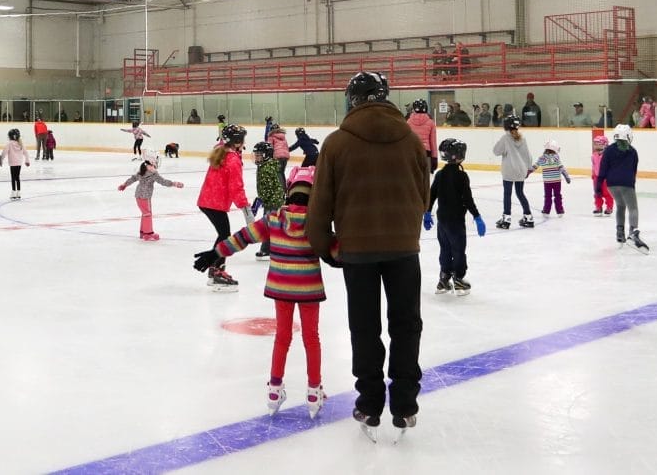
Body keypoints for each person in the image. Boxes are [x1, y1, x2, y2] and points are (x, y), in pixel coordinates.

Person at [304, 72, 430, 442]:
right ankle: (405, 404)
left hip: (357, 251)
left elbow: (320, 203)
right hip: (404, 248)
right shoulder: (410, 140)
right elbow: (423, 196)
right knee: (406, 325)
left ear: (354, 100)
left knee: (364, 327)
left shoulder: (337, 143)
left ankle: (370, 404)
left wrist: (324, 246)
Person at [192, 167, 328, 419]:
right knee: (312, 338)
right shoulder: (317, 222)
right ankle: (313, 390)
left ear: (289, 191)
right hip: (308, 288)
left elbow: (243, 237)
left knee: (282, 337)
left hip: (281, 288)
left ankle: (274, 390)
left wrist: (216, 253)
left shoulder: (274, 219)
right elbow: (336, 248)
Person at [424, 138, 485, 295]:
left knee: (445, 248)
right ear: (458, 156)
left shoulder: (440, 174)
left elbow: (431, 195)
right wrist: (477, 216)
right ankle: (458, 279)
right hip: (456, 221)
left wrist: (427, 212)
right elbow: (467, 199)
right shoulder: (461, 176)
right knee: (458, 249)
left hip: (442, 221)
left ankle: (444, 279)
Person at [196, 125, 251, 292]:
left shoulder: (220, 152)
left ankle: (215, 269)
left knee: (223, 234)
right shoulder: (232, 159)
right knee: (225, 236)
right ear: (238, 141)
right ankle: (216, 271)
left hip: (208, 201)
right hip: (215, 203)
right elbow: (236, 187)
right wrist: (246, 209)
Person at [600, 125, 646, 252]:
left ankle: (620, 233)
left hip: (611, 185)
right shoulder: (632, 151)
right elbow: (633, 170)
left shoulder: (608, 150)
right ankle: (633, 233)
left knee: (620, 206)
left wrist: (598, 187)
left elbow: (603, 168)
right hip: (626, 184)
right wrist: (632, 184)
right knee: (633, 208)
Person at [120, 156, 184, 241]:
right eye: (153, 165)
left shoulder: (141, 171)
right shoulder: (153, 174)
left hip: (138, 195)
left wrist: (125, 184)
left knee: (145, 213)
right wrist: (174, 183)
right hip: (145, 197)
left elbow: (133, 178)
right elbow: (163, 182)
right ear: (149, 166)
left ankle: (143, 232)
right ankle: (148, 233)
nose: (155, 167)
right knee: (147, 214)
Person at [490, 116, 534, 229]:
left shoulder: (506, 138)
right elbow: (528, 155)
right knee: (520, 193)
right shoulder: (522, 138)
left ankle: (506, 219)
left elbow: (496, 151)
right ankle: (528, 217)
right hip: (521, 170)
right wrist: (529, 168)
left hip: (509, 170)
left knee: (507, 194)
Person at [531, 141, 571, 216]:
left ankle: (546, 211)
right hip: (557, 181)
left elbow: (535, 166)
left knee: (548, 196)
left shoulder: (542, 158)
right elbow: (561, 167)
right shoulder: (556, 157)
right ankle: (560, 211)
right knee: (558, 195)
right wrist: (566, 176)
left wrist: (528, 172)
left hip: (547, 181)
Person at [405, 100, 438, 173]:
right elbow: (433, 142)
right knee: (425, 176)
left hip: (412, 152)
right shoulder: (431, 122)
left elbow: (406, 140)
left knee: (414, 176)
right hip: (426, 152)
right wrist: (434, 158)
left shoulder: (408, 122)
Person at [590, 135, 614, 217]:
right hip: (597, 177)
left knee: (608, 193)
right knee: (597, 193)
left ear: (605, 145)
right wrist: (593, 174)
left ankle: (609, 207)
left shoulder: (608, 155)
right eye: (595, 144)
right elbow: (593, 165)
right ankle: (598, 207)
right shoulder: (593, 155)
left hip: (606, 178)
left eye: (599, 144)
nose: (597, 146)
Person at [5, 129, 31, 201]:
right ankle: (18, 193)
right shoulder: (21, 143)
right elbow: (26, 153)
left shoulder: (9, 143)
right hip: (19, 163)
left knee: (13, 178)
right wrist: (27, 160)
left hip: (12, 163)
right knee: (17, 177)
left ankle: (13, 192)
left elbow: (4, 152)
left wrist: (0, 160)